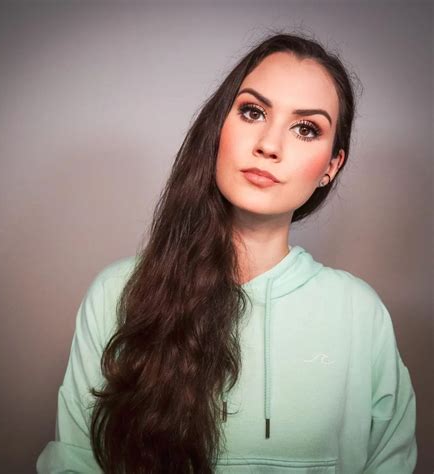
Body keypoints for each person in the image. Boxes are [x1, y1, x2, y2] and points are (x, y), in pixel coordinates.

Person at [36, 32, 417, 473]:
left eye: (306, 128)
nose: (269, 145)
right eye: (253, 112)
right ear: (219, 126)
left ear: (331, 166)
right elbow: (75, 462)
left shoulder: (359, 313)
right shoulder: (118, 293)